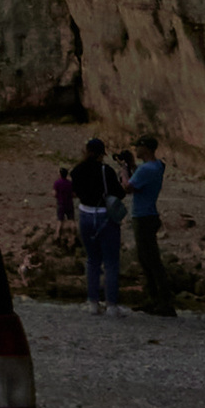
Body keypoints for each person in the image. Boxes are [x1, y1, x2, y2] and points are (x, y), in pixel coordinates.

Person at [72, 134, 125, 314]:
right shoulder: (105, 171)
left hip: (85, 214)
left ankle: (93, 302)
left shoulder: (77, 170)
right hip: (104, 216)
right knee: (110, 262)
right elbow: (119, 193)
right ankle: (111, 304)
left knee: (92, 260)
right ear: (102, 154)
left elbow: (76, 191)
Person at [124, 138, 175, 315]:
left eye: (138, 147)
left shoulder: (146, 169)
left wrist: (123, 170)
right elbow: (141, 180)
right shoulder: (157, 166)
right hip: (150, 215)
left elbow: (128, 187)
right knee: (149, 259)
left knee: (150, 260)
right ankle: (156, 300)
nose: (136, 149)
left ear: (145, 148)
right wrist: (131, 165)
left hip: (143, 217)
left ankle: (163, 302)